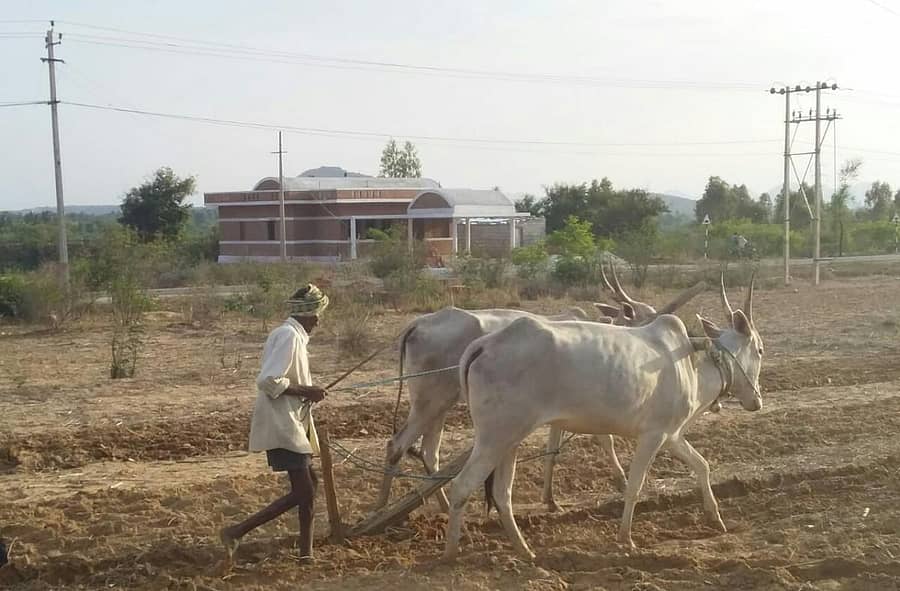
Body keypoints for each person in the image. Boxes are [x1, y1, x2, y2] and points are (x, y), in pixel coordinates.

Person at [220, 284, 330, 562]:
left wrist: (308, 391)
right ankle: (236, 531)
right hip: (282, 422)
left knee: (310, 486)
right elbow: (268, 381)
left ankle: (306, 553)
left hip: (291, 419)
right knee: (304, 490)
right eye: (317, 314)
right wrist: (308, 391)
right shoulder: (289, 337)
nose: (319, 320)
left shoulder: (292, 335)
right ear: (306, 314)